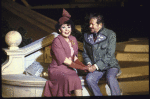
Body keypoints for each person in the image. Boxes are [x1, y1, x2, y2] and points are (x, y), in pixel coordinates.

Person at [44, 9, 88, 97]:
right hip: (57, 69)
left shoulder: (73, 39)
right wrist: (82, 68)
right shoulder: (56, 41)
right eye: (63, 27)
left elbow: (74, 58)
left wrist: (84, 67)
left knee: (76, 78)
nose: (67, 29)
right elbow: (65, 61)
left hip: (69, 69)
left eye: (69, 27)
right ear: (59, 30)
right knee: (69, 78)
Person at [82, 13, 121, 96]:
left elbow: (109, 55)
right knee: (89, 79)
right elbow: (85, 53)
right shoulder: (86, 36)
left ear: (100, 25)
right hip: (96, 68)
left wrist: (95, 66)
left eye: (92, 24)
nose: (90, 26)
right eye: (89, 24)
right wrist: (88, 64)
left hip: (110, 65)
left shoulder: (111, 34)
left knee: (110, 78)